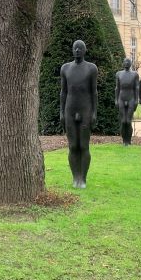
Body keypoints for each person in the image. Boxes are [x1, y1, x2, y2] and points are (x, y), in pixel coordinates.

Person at [59, 40, 98, 189]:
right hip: (69, 110)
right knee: (73, 146)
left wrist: (94, 112)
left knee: (84, 146)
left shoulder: (91, 68)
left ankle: (83, 178)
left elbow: (94, 92)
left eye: (80, 48)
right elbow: (63, 92)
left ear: (85, 50)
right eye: (75, 48)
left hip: (85, 110)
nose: (77, 50)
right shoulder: (65, 68)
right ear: (72, 50)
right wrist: (61, 112)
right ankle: (75, 176)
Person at [115, 58, 140, 145]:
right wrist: (116, 99)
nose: (126, 63)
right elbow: (117, 88)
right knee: (123, 121)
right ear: (123, 63)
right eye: (125, 61)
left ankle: (128, 140)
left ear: (130, 64)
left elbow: (137, 88)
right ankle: (124, 140)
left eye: (128, 62)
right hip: (121, 98)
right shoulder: (118, 74)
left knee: (128, 121)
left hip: (131, 99)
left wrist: (137, 100)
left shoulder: (135, 74)